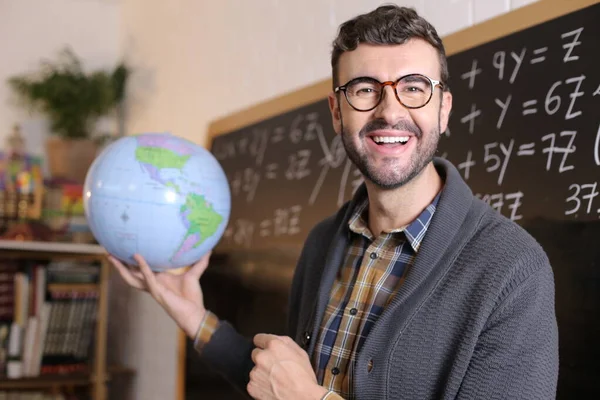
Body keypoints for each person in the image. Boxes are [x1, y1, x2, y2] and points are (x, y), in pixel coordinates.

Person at [109, 5, 559, 400]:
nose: (390, 110)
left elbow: (297, 393)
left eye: (415, 87)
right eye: (364, 88)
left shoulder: (513, 270)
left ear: (443, 108)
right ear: (336, 110)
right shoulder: (324, 242)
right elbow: (280, 381)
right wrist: (193, 315)